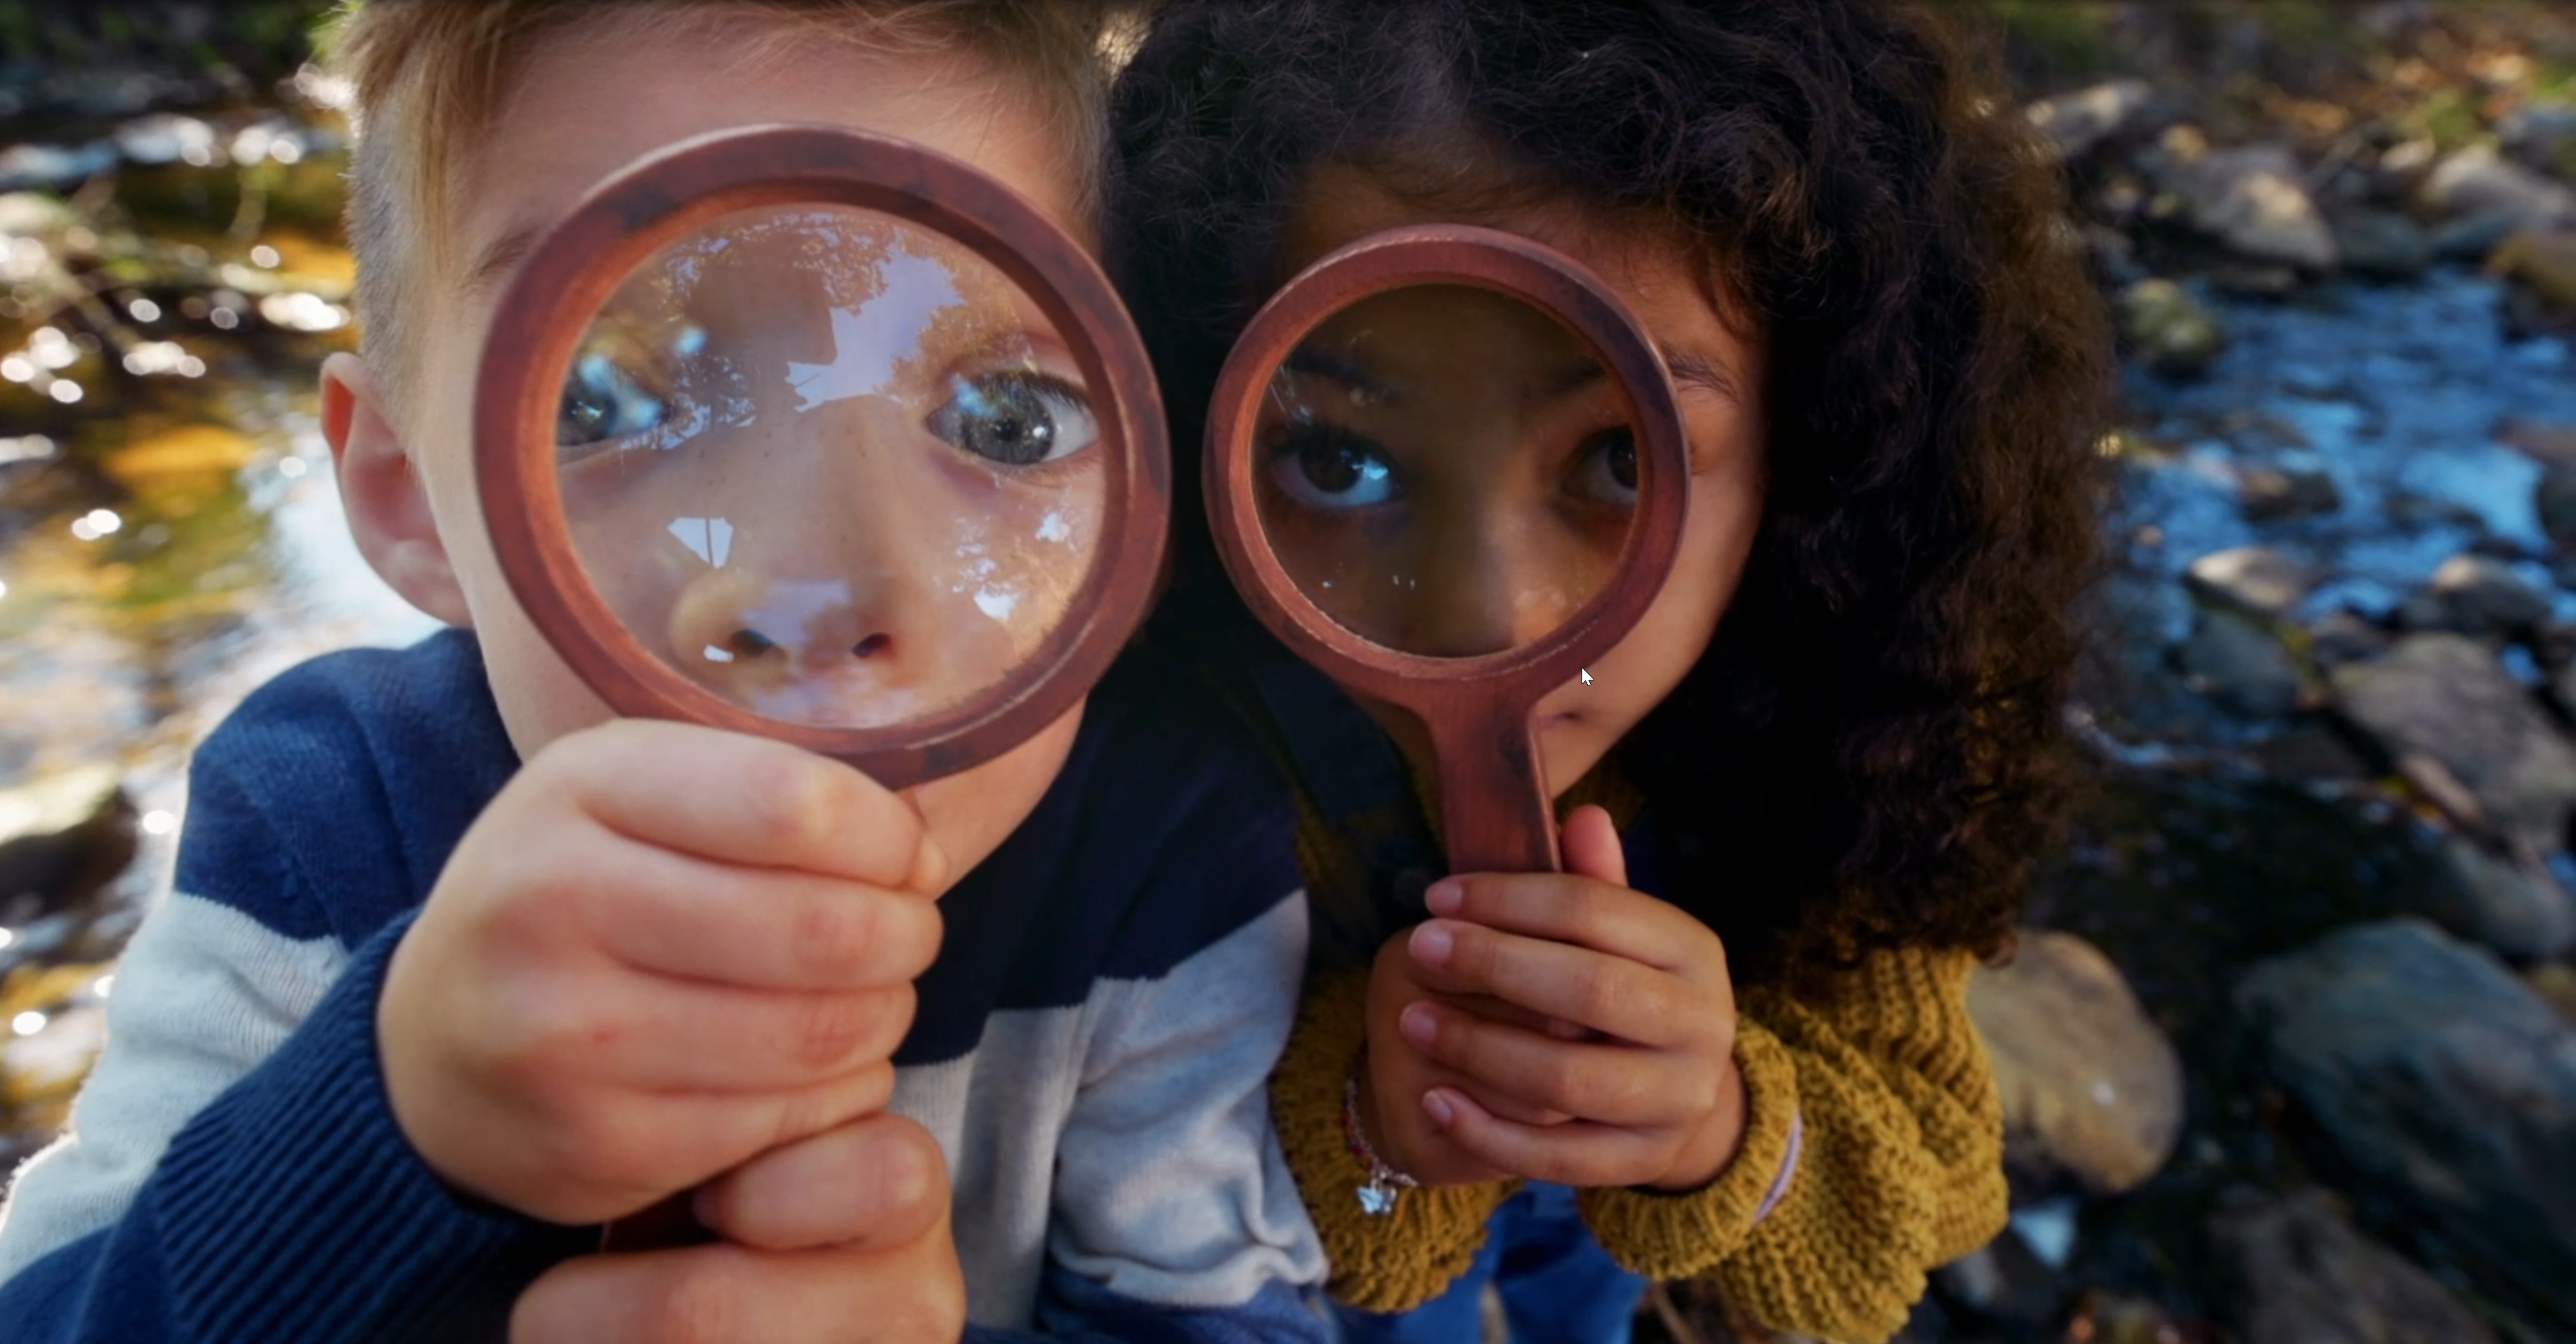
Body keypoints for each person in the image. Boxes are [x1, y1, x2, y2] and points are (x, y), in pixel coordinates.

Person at [0, 3, 1329, 1340]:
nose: (813, 589)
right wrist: (390, 1136)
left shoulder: (1165, 847)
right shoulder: (316, 831)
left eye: (1007, 419)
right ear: (409, 498)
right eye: (602, 399)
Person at [1108, 1, 2112, 1340]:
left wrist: (1714, 1124)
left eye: (1618, 460)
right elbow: (1153, 1183)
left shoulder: (1858, 743)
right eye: (1339, 458)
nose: (1489, 613)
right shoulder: (1175, 747)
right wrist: (1382, 1129)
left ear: (1819, 448)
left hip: (1611, 1238)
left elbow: (1911, 1203)